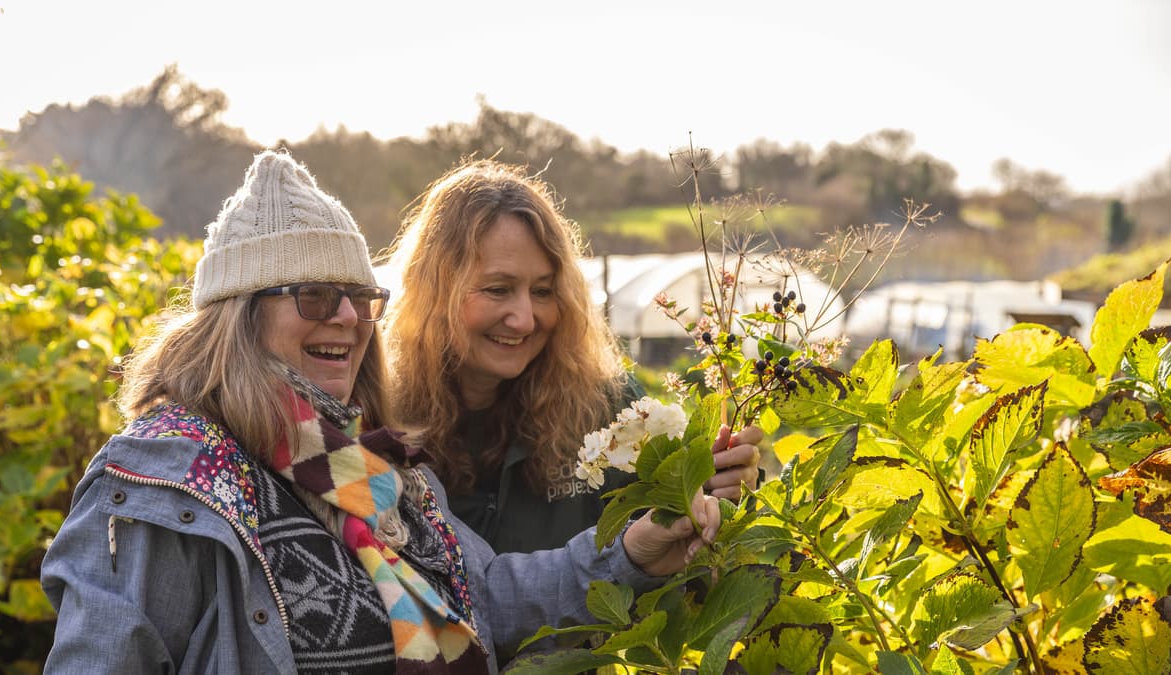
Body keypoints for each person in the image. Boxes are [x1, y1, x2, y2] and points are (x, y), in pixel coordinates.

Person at [40, 151, 728, 674]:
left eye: (359, 296)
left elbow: (483, 594)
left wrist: (631, 553)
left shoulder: (363, 462)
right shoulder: (166, 480)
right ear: (240, 316)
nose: (345, 315)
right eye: (313, 295)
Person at [383, 159, 762, 554]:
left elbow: (671, 550)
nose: (525, 319)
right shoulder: (382, 416)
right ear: (434, 292)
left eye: (543, 292)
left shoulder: (604, 405)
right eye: (498, 289)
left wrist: (715, 490)